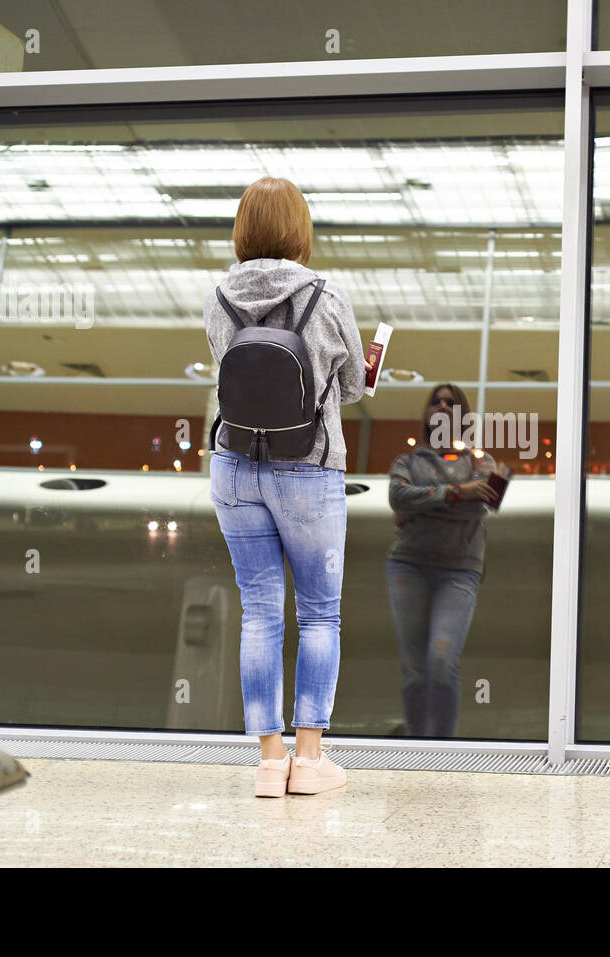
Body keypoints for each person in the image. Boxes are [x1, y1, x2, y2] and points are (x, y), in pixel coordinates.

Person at [204, 176, 369, 797]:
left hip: (235, 467)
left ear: (243, 229)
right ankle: (310, 757)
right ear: (300, 230)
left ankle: (270, 763)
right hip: (309, 469)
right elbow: (349, 387)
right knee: (320, 612)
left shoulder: (216, 297)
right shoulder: (325, 297)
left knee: (260, 611)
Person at [386, 383, 500, 737]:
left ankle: (444, 747)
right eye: (436, 402)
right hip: (409, 566)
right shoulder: (407, 461)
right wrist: (455, 492)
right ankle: (418, 743)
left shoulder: (482, 462)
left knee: (441, 661)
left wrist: (420, 507)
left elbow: (483, 503)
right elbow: (397, 496)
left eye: (451, 403)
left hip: (459, 571)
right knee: (416, 669)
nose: (442, 407)